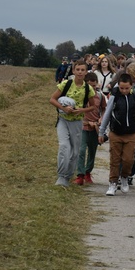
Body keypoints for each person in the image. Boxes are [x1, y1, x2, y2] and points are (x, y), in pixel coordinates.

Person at [98, 73, 135, 196]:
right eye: (122, 88)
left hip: (131, 134)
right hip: (115, 133)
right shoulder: (114, 98)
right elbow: (107, 115)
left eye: (127, 88)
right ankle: (112, 183)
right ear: (119, 86)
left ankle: (124, 177)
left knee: (128, 159)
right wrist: (102, 131)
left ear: (131, 86)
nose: (124, 90)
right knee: (115, 159)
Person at [49, 59, 95, 187]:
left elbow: (93, 106)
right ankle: (61, 176)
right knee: (64, 147)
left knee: (74, 152)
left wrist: (81, 110)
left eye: (83, 70)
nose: (80, 72)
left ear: (86, 72)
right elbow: (52, 99)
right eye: (78, 70)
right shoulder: (66, 84)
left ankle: (68, 176)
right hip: (63, 121)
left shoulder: (88, 89)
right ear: (74, 70)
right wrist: (64, 109)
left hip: (77, 122)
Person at [74, 72, 105, 185]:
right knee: (81, 150)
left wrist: (101, 119)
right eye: (90, 86)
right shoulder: (80, 94)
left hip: (94, 128)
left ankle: (88, 172)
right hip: (82, 126)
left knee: (92, 151)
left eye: (94, 86)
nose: (92, 88)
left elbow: (104, 109)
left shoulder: (100, 96)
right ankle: (80, 175)